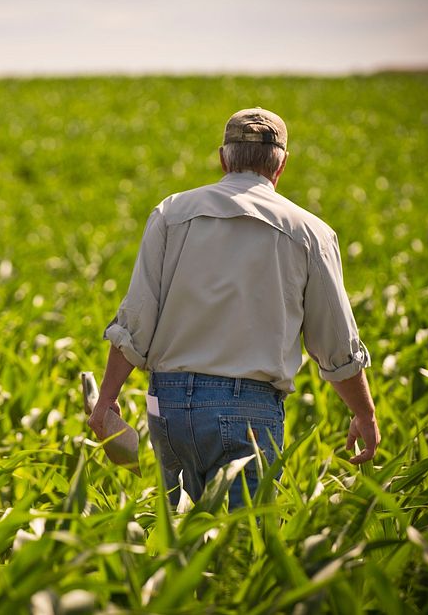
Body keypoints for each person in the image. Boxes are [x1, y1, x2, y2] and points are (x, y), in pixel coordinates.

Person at [87, 107, 380, 509]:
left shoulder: (171, 213)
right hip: (247, 410)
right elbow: (335, 344)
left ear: (223, 159)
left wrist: (106, 401)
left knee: (177, 542)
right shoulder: (310, 233)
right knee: (240, 549)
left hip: (167, 407)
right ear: (281, 166)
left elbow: (134, 321)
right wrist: (364, 413)